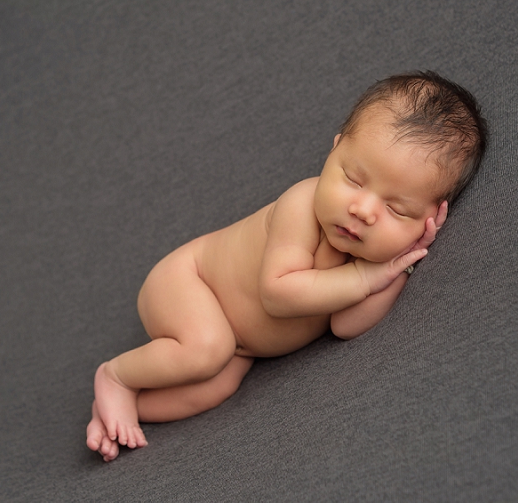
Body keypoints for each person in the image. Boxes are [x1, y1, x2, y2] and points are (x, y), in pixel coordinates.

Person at [86, 71, 487, 462]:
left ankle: (117, 415)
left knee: (215, 387)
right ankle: (117, 375)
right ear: (334, 150)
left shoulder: (374, 254)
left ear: (431, 218)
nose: (362, 210)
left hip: (241, 346)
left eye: (397, 209)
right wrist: (365, 276)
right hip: (189, 281)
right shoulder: (303, 204)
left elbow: (344, 326)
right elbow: (278, 294)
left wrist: (401, 264)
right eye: (352, 178)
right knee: (207, 348)